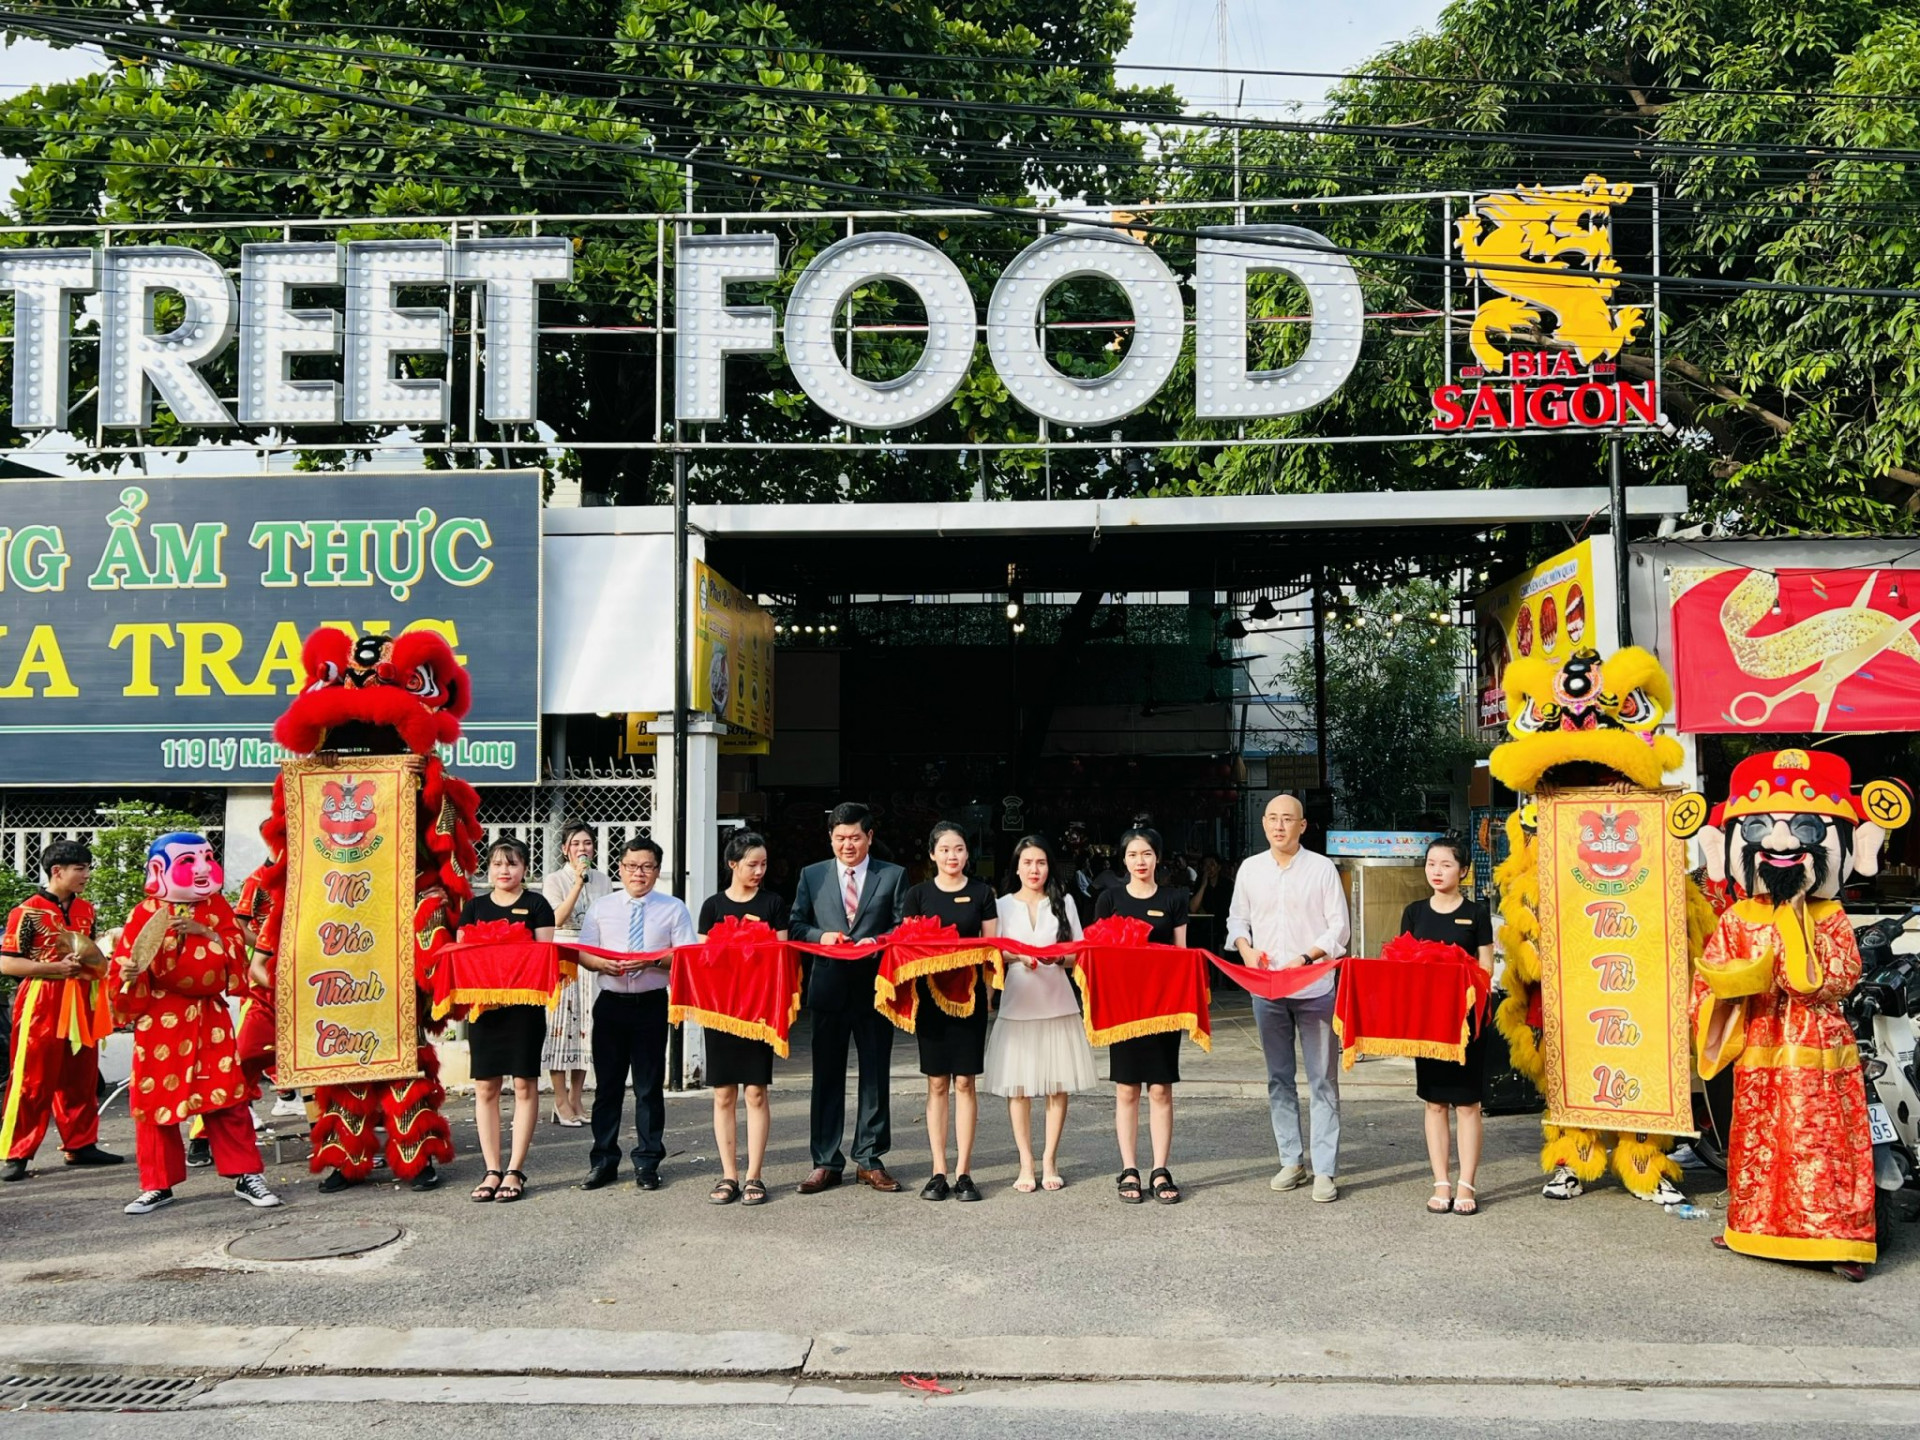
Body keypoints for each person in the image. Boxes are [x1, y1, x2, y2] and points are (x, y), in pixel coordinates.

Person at [110, 832, 281, 1215]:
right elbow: (124, 969)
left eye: (206, 857)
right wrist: (129, 972)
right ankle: (157, 1184)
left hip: (209, 1017)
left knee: (228, 1100)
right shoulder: (143, 913)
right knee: (153, 1104)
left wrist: (205, 933)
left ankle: (246, 1175)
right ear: (159, 869)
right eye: (189, 861)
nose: (203, 868)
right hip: (159, 1021)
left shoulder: (216, 907)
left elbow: (237, 956)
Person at [1227, 793, 1351, 1203]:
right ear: (1264, 823)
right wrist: (1245, 950)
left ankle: (1325, 1170)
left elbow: (1339, 929)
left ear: (1303, 826)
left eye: (1288, 819)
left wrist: (1305, 958)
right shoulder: (1250, 869)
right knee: (1279, 1077)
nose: (1280, 826)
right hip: (1266, 988)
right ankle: (1291, 1160)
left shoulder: (1321, 870)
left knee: (1322, 1079)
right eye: (1273, 819)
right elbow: (1237, 919)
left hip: (1314, 988)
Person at [789, 802, 909, 1196]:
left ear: (870, 837)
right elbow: (796, 924)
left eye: (855, 837)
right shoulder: (813, 875)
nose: (847, 845)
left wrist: (880, 940)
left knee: (875, 1075)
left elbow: (902, 927)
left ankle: (870, 1158)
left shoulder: (892, 876)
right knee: (826, 1077)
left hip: (876, 988)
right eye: (839, 838)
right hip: (828, 987)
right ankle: (825, 1161)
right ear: (830, 838)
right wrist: (819, 937)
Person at [576, 837, 696, 1192]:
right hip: (611, 1004)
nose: (638, 873)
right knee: (608, 1088)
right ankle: (603, 1161)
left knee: (648, 1088)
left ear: (657, 871)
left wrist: (655, 960)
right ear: (620, 868)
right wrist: (603, 964)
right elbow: (583, 953)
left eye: (646, 867)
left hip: (651, 1004)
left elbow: (686, 954)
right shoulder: (602, 907)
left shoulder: (673, 908)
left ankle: (647, 1162)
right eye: (631, 866)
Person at [0, 839, 123, 1181]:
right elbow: (7, 964)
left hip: (82, 997)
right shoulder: (26, 912)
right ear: (58, 871)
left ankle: (80, 1144)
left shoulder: (87, 909)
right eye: (80, 868)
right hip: (42, 1000)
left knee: (81, 1076)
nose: (86, 875)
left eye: (87, 868)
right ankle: (17, 1152)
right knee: (32, 1079)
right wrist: (52, 969)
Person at [987, 835, 1097, 1192]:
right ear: (1016, 867)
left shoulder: (1063, 902)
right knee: (1018, 1088)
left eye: (1041, 863)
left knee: (1056, 1085)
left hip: (1057, 1001)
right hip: (1018, 1002)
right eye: (1028, 863)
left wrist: (1056, 958)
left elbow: (1079, 952)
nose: (1035, 870)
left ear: (1049, 867)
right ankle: (1026, 1162)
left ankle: (1050, 1158)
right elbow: (992, 952)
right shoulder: (1001, 905)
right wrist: (1017, 956)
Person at [900, 822, 998, 1202]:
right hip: (931, 1000)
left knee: (965, 1083)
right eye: (944, 850)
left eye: (958, 849)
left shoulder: (980, 893)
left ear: (967, 854)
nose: (952, 856)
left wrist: (989, 996)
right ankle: (938, 1169)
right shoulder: (917, 895)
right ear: (932, 855)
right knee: (937, 1083)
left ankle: (964, 1171)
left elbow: (991, 948)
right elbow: (907, 950)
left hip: (971, 998)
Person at [1398, 836, 1494, 1217]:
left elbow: (1486, 969)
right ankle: (1441, 1180)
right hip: (1428, 1024)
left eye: (1446, 865)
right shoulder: (1414, 912)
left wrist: (1459, 977)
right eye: (1431, 864)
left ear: (1463, 871)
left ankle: (1467, 1183)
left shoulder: (1477, 913)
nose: (1436, 871)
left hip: (1466, 1023)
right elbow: (1400, 965)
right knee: (1435, 1103)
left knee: (1467, 1104)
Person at [1095, 826, 1190, 1205]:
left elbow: (1183, 955)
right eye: (1133, 855)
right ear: (1124, 860)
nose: (1140, 862)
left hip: (1163, 1008)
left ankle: (1160, 1169)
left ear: (1158, 858)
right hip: (1124, 1010)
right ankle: (1130, 1168)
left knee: (1161, 1090)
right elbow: (1097, 956)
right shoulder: (1109, 899)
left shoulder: (1174, 898)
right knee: (1126, 1089)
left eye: (1147, 854)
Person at [459, 837, 556, 1203]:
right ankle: (491, 1169)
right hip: (485, 1011)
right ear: (488, 869)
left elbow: (544, 959)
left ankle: (515, 1169)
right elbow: (464, 960)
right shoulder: (474, 908)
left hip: (524, 1010)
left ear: (525, 869)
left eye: (513, 864)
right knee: (486, 1088)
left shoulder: (537, 905)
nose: (505, 871)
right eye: (498, 864)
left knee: (524, 1086)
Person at [696, 831, 788, 1207]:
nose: (759, 871)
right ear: (732, 864)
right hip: (721, 1009)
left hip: (758, 1010)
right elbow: (702, 960)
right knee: (723, 1093)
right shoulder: (712, 906)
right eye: (752, 864)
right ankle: (728, 1174)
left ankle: (754, 1175)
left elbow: (783, 957)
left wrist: (756, 936)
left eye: (763, 864)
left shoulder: (774, 903)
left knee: (755, 1091)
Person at [541, 824, 612, 1127]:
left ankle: (576, 1098)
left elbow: (607, 919)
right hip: (562, 957)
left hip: (591, 953)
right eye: (576, 844)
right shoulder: (554, 880)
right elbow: (554, 919)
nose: (582, 849)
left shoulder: (604, 880)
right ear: (565, 849)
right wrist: (577, 885)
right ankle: (558, 1101)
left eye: (588, 843)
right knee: (560, 1028)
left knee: (587, 1026)